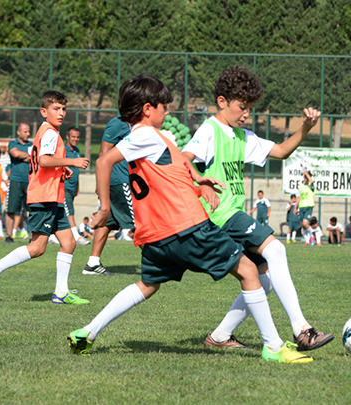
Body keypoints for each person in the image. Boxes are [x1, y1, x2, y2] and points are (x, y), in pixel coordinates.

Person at [68, 75, 312, 364]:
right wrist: (105, 208)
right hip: (186, 226)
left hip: (157, 235)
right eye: (164, 107)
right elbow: (102, 160)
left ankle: (87, 331)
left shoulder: (150, 140)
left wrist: (198, 182)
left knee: (147, 285)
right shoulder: (145, 135)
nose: (168, 112)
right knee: (251, 270)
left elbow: (174, 169)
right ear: (147, 109)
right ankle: (272, 347)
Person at [182, 65, 332, 352]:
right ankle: (302, 329)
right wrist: (200, 181)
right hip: (221, 215)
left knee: (262, 278)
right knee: (276, 249)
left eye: (250, 108)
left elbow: (281, 151)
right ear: (222, 102)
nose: (246, 114)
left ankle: (220, 336)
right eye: (242, 107)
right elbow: (183, 158)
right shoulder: (210, 129)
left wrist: (307, 127)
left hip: (233, 214)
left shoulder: (242, 137)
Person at [0, 90, 90, 304]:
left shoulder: (49, 132)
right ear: (44, 112)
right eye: (56, 109)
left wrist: (61, 170)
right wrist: (71, 163)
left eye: (64, 109)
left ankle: (61, 293)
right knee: (37, 248)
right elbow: (45, 161)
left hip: (53, 197)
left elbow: (43, 162)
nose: (61, 113)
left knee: (69, 242)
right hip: (44, 197)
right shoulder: (49, 133)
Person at [82, 116, 135, 276]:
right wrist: (100, 183)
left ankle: (92, 263)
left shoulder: (135, 123)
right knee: (138, 222)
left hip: (123, 180)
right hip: (119, 180)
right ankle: (156, 265)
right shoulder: (117, 123)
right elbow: (103, 153)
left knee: (106, 222)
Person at [4, 122, 32, 243]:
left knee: (31, 210)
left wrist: (23, 156)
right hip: (15, 180)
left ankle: (32, 237)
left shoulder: (32, 145)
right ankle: (9, 236)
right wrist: (28, 156)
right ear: (18, 132)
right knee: (11, 209)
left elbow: (35, 158)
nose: (28, 134)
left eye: (29, 131)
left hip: (30, 181)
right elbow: (15, 153)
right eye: (25, 131)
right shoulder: (12, 143)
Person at [64, 127, 89, 245]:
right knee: (70, 211)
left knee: (62, 213)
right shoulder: (62, 149)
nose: (76, 139)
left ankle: (52, 236)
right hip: (63, 186)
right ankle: (76, 237)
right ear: (67, 137)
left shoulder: (77, 150)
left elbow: (76, 170)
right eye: (73, 136)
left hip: (72, 187)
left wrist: (77, 186)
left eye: (78, 137)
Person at [295, 171, 315, 242]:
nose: (305, 179)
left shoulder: (311, 186)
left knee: (305, 223)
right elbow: (298, 197)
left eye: (307, 177)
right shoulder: (301, 186)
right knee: (303, 225)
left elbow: (312, 182)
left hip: (309, 206)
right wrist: (295, 208)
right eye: (305, 177)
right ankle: (307, 241)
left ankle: (312, 235)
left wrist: (306, 173)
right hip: (301, 206)